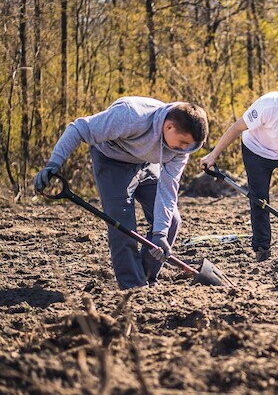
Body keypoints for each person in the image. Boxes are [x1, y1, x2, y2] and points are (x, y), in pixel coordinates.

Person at [33, 97, 209, 289]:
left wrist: (160, 234)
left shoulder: (182, 149)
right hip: (112, 161)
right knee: (122, 224)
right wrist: (53, 163)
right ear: (168, 127)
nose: (185, 149)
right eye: (183, 142)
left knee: (171, 222)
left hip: (147, 163)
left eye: (190, 146)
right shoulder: (130, 116)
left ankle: (147, 277)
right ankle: (132, 286)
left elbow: (167, 190)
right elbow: (79, 128)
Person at [199, 92, 278, 262]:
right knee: (259, 199)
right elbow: (237, 128)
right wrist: (213, 155)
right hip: (256, 150)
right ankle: (262, 249)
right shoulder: (269, 106)